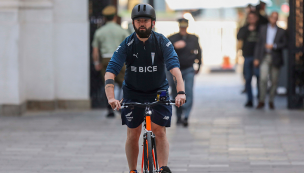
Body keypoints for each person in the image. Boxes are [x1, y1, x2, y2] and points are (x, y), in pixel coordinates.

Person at [104, 4, 186, 173]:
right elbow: (111, 71)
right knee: (133, 134)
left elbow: (175, 69)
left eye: (146, 21)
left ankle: (163, 168)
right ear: (133, 23)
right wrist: (111, 97)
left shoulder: (162, 41)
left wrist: (180, 92)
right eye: (138, 21)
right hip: (133, 93)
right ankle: (133, 170)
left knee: (160, 131)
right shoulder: (127, 44)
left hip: (158, 92)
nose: (142, 24)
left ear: (153, 23)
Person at [91, 5, 129, 117]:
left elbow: (95, 50)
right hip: (119, 59)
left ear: (104, 18)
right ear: (115, 17)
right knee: (124, 83)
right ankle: (121, 105)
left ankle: (110, 108)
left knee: (108, 83)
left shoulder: (100, 31)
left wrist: (96, 62)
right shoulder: (121, 30)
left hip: (106, 59)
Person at [167, 18, 202, 127]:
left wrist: (199, 64)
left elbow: (199, 51)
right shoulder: (172, 38)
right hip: (174, 70)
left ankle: (186, 115)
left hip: (188, 68)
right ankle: (179, 115)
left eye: (184, 27)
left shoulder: (193, 38)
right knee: (176, 92)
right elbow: (163, 50)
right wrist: (174, 45)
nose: (183, 29)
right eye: (181, 27)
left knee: (188, 91)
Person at [254, 11, 287, 109]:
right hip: (264, 56)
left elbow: (285, 44)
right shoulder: (263, 29)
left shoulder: (281, 31)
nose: (274, 19)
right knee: (263, 78)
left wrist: (274, 46)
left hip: (275, 57)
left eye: (276, 17)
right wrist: (256, 58)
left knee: (274, 81)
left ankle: (271, 100)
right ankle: (261, 100)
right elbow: (258, 44)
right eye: (273, 17)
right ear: (269, 18)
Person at [237, 11, 260, 107]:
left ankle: (260, 98)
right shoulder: (243, 29)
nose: (251, 19)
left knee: (259, 78)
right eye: (249, 17)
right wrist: (247, 29)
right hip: (247, 56)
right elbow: (239, 37)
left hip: (258, 57)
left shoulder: (260, 29)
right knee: (248, 78)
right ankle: (250, 99)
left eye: (253, 17)